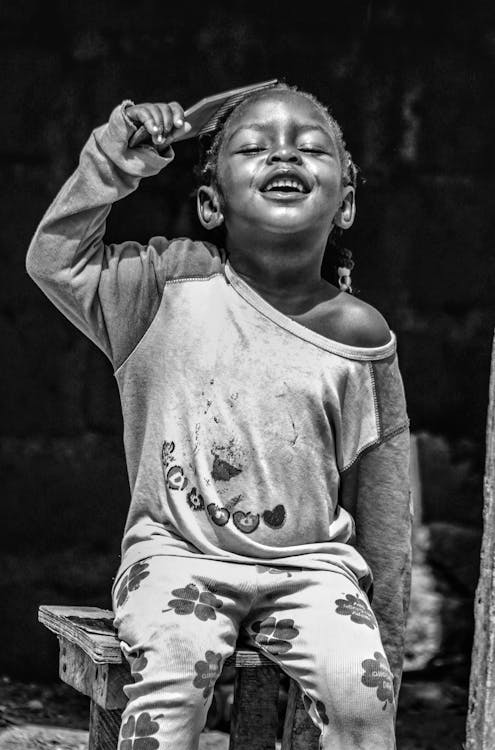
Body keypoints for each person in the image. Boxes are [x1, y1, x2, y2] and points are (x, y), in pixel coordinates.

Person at [26, 82, 411, 750]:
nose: (283, 156)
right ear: (208, 203)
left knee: (362, 697)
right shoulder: (160, 286)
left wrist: (389, 642)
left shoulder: (361, 335)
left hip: (310, 570)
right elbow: (55, 261)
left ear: (344, 204)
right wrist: (117, 161)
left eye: (309, 148)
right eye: (255, 147)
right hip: (176, 557)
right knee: (170, 672)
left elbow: (382, 504)